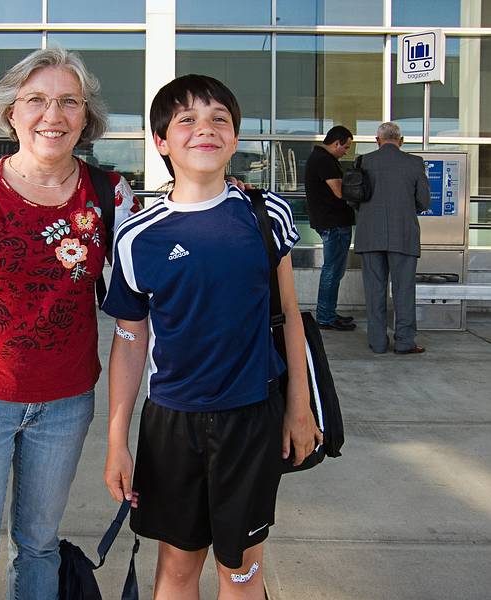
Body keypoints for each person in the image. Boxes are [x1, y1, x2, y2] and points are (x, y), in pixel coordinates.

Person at [0, 47, 139, 599]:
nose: (54, 114)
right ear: (11, 113)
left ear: (86, 117)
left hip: (65, 402)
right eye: (37, 100)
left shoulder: (109, 194)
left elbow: (136, 295)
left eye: (69, 101)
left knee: (40, 546)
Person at [101, 74, 322, 599]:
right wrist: (117, 439)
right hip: (173, 423)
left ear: (236, 137)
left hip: (251, 417)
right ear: (161, 142)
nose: (206, 129)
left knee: (241, 571)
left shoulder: (265, 215)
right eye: (187, 120)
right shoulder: (136, 236)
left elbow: (288, 314)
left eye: (219, 118)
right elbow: (130, 341)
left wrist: (298, 408)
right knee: (177, 570)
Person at [355, 121, 430, 354]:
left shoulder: (363, 162)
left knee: (374, 289)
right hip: (404, 235)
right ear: (401, 140)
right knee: (404, 289)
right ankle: (405, 342)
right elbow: (424, 201)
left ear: (377, 141)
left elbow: (353, 196)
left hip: (369, 235)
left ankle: (377, 343)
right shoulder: (414, 163)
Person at [304, 125, 356, 331]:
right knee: (332, 271)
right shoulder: (325, 161)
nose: (346, 151)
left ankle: (329, 312)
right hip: (334, 223)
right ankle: (326, 317)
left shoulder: (319, 158)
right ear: (336, 143)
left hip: (328, 222)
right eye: (346, 147)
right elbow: (339, 192)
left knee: (334, 271)